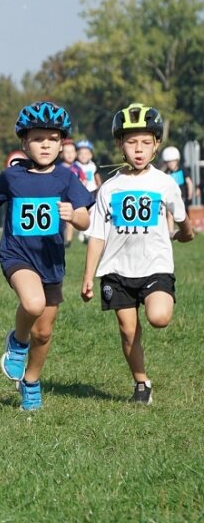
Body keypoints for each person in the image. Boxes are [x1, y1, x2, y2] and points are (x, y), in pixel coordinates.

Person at [0, 101, 93, 411]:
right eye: (38, 139)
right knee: (32, 303)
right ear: (25, 142)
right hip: (17, 255)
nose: (45, 145)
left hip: (50, 261)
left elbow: (86, 219)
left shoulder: (66, 178)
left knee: (45, 332)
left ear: (61, 142)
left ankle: (31, 381)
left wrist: (74, 217)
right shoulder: (13, 177)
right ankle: (17, 341)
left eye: (52, 139)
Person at [81, 103, 194, 405]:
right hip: (117, 270)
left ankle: (152, 306)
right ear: (120, 144)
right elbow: (96, 235)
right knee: (128, 331)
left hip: (155, 266)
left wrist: (186, 233)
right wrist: (88, 276)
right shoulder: (109, 188)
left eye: (146, 142)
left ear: (157, 144)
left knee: (158, 317)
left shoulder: (164, 183)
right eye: (131, 142)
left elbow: (183, 221)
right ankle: (141, 383)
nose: (139, 149)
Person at [59, 138, 85, 247]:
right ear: (61, 154)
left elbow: (83, 180)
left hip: (72, 198)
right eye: (66, 152)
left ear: (75, 153)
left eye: (72, 152)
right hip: (60, 198)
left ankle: (68, 241)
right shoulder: (58, 168)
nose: (69, 155)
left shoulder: (78, 168)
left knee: (70, 220)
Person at [160, 146, 193, 211]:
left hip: (182, 197)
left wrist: (190, 195)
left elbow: (189, 182)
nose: (171, 163)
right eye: (168, 162)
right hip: (170, 198)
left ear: (177, 160)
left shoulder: (182, 170)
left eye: (173, 161)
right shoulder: (166, 173)